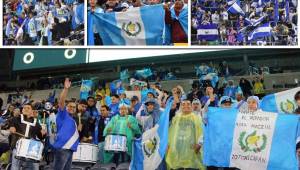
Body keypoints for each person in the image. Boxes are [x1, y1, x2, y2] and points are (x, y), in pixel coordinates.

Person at [166, 99, 205, 170]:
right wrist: (168, 144)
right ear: (180, 106)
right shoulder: (176, 118)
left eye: (188, 104)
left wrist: (199, 144)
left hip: (192, 150)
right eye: (183, 104)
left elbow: (202, 133)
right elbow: (170, 132)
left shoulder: (197, 118)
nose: (185, 106)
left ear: (191, 106)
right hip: (178, 149)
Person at [52, 78, 80, 170]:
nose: (72, 108)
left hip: (69, 149)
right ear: (66, 107)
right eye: (70, 106)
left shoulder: (73, 120)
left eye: (74, 107)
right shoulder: (63, 115)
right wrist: (66, 89)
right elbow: (61, 102)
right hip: (62, 147)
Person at [9, 103, 46, 170]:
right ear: (22, 110)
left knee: (34, 168)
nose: (26, 109)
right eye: (24, 108)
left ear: (32, 111)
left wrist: (43, 133)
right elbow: (11, 126)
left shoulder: (36, 123)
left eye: (28, 108)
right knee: (15, 167)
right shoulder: (15, 119)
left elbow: (41, 137)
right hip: (17, 148)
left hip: (31, 150)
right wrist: (11, 128)